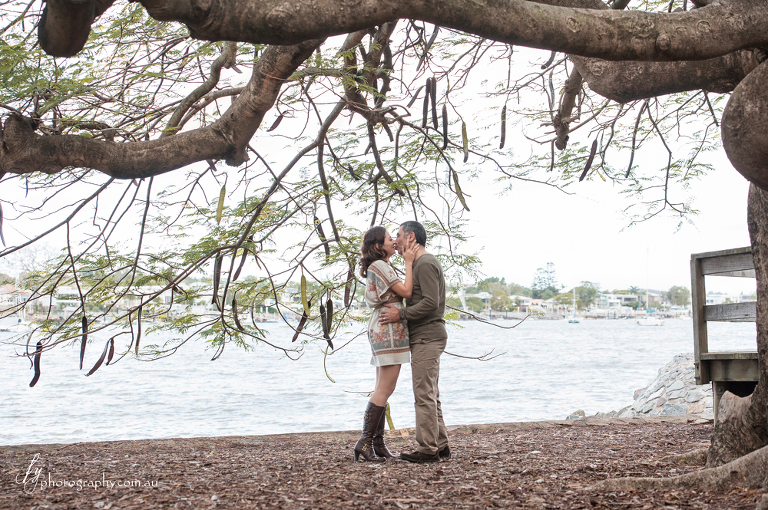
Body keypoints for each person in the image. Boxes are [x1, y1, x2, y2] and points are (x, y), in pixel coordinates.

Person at [380, 220, 449, 463]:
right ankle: (440, 445)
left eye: (398, 236)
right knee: (430, 394)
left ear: (410, 237)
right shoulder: (419, 263)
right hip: (425, 335)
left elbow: (431, 302)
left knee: (423, 395)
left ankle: (427, 450)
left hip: (428, 335)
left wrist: (401, 314)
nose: (395, 241)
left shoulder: (425, 263)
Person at [354, 225, 418, 462]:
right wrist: (409, 262)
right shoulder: (380, 265)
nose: (394, 241)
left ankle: (377, 443)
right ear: (378, 246)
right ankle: (364, 441)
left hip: (385, 328)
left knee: (381, 387)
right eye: (390, 239)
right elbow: (407, 291)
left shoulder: (380, 266)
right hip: (388, 331)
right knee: (385, 389)